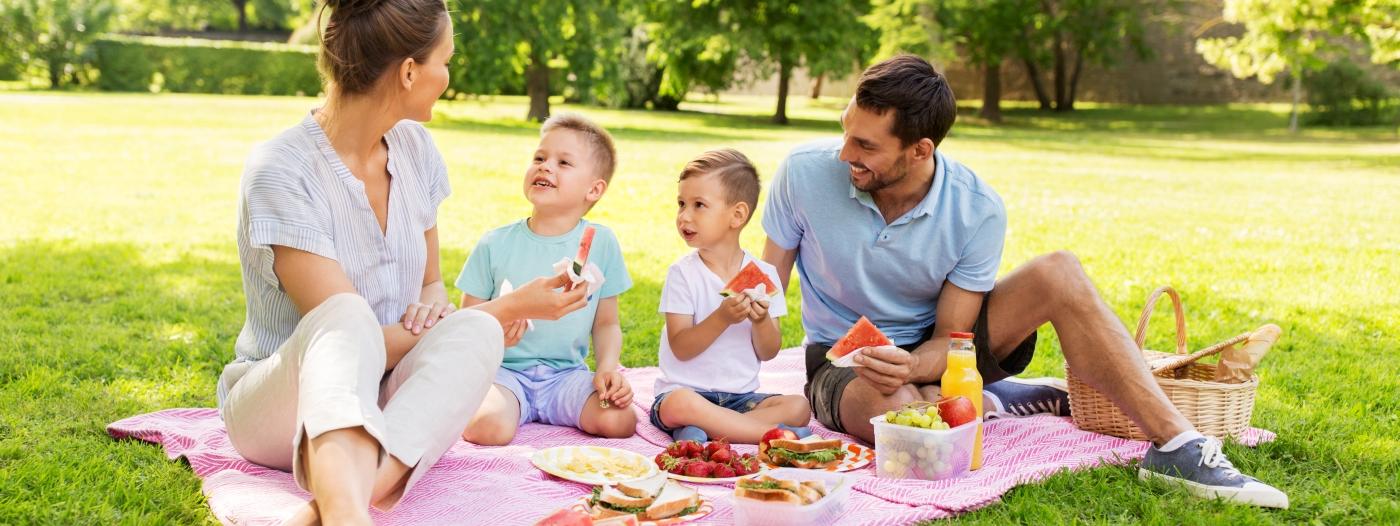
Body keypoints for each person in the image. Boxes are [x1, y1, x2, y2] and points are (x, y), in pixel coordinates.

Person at [761, 54, 1287, 508]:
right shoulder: (803, 174)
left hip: (940, 349)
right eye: (845, 130)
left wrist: (915, 364)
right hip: (841, 358)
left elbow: (953, 337)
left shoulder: (975, 208)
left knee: (1060, 270)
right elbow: (765, 288)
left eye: (866, 145)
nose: (845, 154)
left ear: (921, 149)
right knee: (911, 432)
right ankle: (996, 401)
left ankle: (1178, 447)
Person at [219, 1, 589, 523]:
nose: (448, 75)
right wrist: (507, 307)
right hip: (285, 408)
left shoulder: (415, 150)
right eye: (446, 60)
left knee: (478, 337)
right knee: (349, 316)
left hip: (386, 394)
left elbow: (431, 284)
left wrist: (444, 315)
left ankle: (332, 507)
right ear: (410, 71)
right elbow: (349, 343)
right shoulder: (281, 171)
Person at [456, 113, 637, 445]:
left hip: (566, 377)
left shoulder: (603, 243)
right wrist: (500, 326)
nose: (545, 167)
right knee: (488, 427)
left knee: (621, 420)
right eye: (539, 158)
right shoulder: (494, 243)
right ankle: (497, 406)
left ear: (594, 189)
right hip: (504, 374)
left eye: (563, 162)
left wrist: (608, 368)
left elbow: (606, 323)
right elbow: (466, 322)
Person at [649, 149, 812, 444]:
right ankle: (773, 435)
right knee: (680, 404)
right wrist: (722, 317)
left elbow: (769, 351)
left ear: (737, 215)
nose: (684, 215)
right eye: (681, 204)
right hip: (686, 393)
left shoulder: (763, 274)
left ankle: (707, 432)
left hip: (740, 399)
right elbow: (681, 348)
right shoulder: (682, 273)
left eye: (699, 205)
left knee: (798, 407)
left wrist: (762, 320)